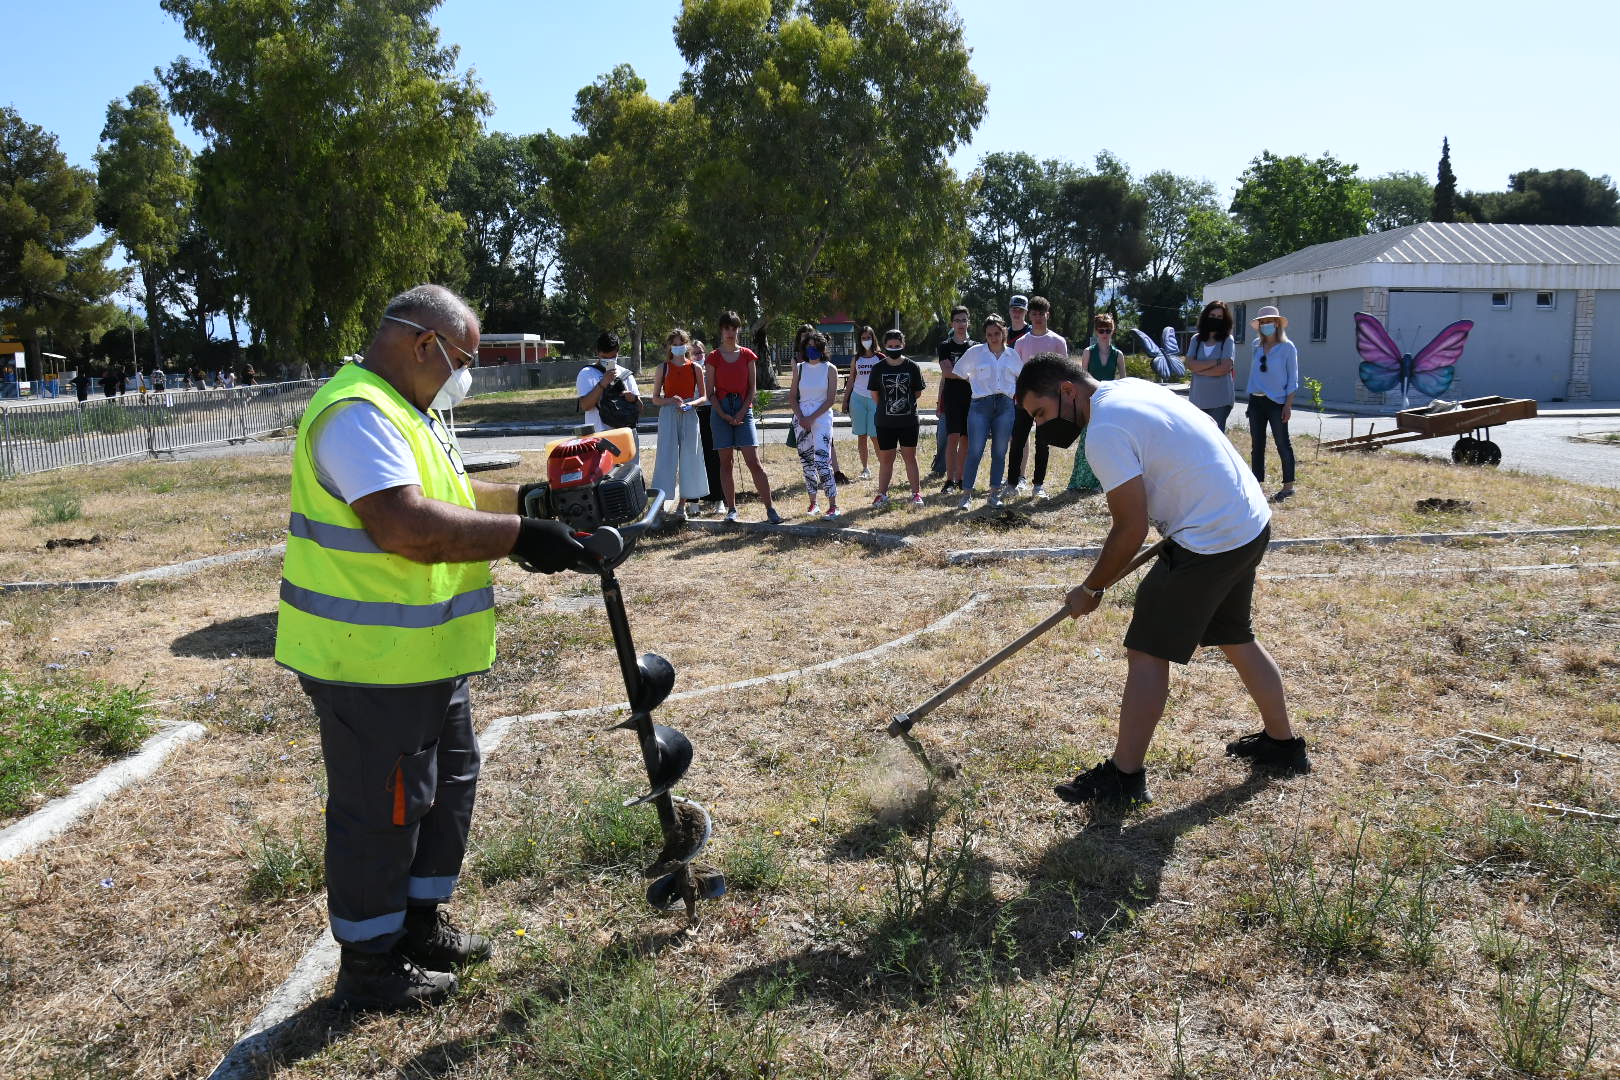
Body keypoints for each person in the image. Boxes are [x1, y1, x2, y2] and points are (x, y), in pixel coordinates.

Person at [274, 284, 585, 1010]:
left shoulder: (406, 412)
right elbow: (404, 524)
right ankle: (370, 966)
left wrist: (543, 504)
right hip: (371, 665)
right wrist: (519, 539)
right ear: (423, 344)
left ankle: (417, 925)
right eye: (463, 360)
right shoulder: (356, 413)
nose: (464, 375)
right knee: (379, 812)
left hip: (428, 658)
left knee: (445, 791)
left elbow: (455, 499)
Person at [1014, 352, 1308, 807]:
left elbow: (1129, 529)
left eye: (1041, 413)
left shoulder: (1105, 430)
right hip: (1247, 520)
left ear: (1067, 390)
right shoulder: (1131, 389)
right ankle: (1284, 747)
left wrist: (1091, 589)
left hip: (1210, 537)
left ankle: (1124, 777)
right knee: (1234, 635)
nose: (1041, 427)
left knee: (1147, 651)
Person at [705, 311, 781, 524]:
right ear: (721, 330)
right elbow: (709, 392)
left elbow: (752, 389)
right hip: (720, 410)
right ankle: (731, 509)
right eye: (726, 328)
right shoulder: (713, 357)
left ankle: (770, 508)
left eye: (734, 328)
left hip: (742, 409)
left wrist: (740, 413)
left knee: (753, 461)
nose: (730, 332)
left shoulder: (748, 355)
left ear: (739, 330)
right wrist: (723, 414)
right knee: (725, 463)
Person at [952, 314, 1021, 510]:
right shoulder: (975, 352)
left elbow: (1021, 376)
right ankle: (966, 495)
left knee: (999, 451)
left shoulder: (1012, 355)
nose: (993, 337)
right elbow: (959, 372)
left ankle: (993, 494)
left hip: (1005, 406)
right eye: (989, 334)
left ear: (1003, 333)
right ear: (985, 335)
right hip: (980, 406)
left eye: (997, 333)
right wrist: (977, 384)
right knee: (975, 450)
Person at [1008, 296, 1067, 499]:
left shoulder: (1058, 342)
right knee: (1017, 442)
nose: (1038, 317)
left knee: (1043, 444)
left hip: (1048, 402)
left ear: (1047, 315)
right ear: (1029, 316)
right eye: (1034, 314)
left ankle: (1038, 485)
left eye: (1042, 314)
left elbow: (1063, 373)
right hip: (1025, 400)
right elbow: (1016, 372)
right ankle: (1012, 483)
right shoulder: (1021, 343)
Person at [649, 328, 710, 517]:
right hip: (668, 414)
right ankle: (659, 506)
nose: (677, 348)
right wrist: (670, 400)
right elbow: (655, 399)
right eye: (674, 345)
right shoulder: (663, 368)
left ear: (687, 345)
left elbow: (704, 396)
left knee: (689, 458)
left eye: (680, 344)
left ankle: (681, 505)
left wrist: (690, 404)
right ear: (669, 346)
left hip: (689, 414)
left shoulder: (695, 368)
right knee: (666, 458)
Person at [868, 329, 927, 507]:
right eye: (890, 346)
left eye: (897, 345)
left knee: (910, 457)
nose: (894, 348)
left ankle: (916, 494)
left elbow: (917, 392)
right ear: (885, 346)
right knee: (886, 459)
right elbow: (875, 395)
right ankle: (882, 494)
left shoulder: (912, 367)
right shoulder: (878, 368)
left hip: (908, 421)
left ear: (903, 345)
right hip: (885, 422)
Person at [1246, 305, 1299, 502]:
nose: (1266, 325)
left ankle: (1288, 486)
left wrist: (1288, 404)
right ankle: (1256, 484)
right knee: (1257, 444)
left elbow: (1293, 378)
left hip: (1277, 402)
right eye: (1263, 322)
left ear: (1277, 324)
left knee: (1282, 443)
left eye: (1270, 321)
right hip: (1256, 400)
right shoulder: (1255, 345)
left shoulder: (1288, 347)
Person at [1067, 314, 1124, 493]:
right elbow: (1081, 379)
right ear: (1096, 331)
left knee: (1107, 443)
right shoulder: (1088, 352)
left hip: (1111, 402)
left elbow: (1123, 380)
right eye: (1101, 330)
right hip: (1091, 402)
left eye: (1108, 330)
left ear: (1113, 331)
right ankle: (1077, 482)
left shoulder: (1118, 355)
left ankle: (1101, 481)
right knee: (1087, 442)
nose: (1104, 333)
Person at [790, 331, 840, 517]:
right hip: (801, 418)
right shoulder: (800, 368)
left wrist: (811, 418)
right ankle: (813, 503)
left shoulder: (830, 369)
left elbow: (830, 400)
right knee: (807, 462)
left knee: (822, 461)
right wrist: (801, 417)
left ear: (822, 348)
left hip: (822, 418)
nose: (812, 350)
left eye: (816, 347)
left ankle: (833, 504)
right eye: (809, 346)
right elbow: (792, 397)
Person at [934, 306, 974, 495]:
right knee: (952, 438)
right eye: (957, 320)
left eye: (964, 320)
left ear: (969, 322)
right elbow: (947, 372)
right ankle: (949, 480)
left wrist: (961, 372)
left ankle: (962, 478)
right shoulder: (944, 346)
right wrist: (967, 374)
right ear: (952, 323)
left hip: (971, 398)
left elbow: (977, 373)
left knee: (966, 439)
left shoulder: (975, 346)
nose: (961, 324)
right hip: (952, 398)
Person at [576, 332, 641, 433]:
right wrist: (603, 383)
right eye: (605, 358)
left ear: (617, 352)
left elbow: (639, 407)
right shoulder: (587, 373)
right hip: (599, 435)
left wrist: (634, 399)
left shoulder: (626, 374)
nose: (609, 360)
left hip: (626, 435)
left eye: (612, 357)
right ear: (597, 352)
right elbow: (585, 406)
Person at [1186, 301, 1237, 431]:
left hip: (1221, 400)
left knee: (1215, 438)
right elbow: (1190, 364)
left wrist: (1200, 368)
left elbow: (1224, 368)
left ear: (1225, 320)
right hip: (1197, 400)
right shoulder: (1196, 340)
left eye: (1219, 317)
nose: (1215, 319)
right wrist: (1215, 362)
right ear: (1206, 316)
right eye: (1212, 315)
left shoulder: (1227, 340)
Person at [841, 326, 881, 481]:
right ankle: (865, 469)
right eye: (863, 338)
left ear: (873, 338)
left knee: (875, 436)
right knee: (862, 436)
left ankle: (883, 466)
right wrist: (845, 400)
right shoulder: (856, 359)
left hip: (875, 400)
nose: (866, 341)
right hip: (857, 399)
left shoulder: (880, 357)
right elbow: (851, 379)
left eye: (868, 337)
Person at [689, 337, 723, 515]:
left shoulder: (711, 368)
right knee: (693, 458)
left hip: (711, 412)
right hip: (692, 413)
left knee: (713, 457)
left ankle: (718, 499)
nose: (698, 355)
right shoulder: (686, 369)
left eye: (701, 352)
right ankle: (693, 501)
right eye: (694, 353)